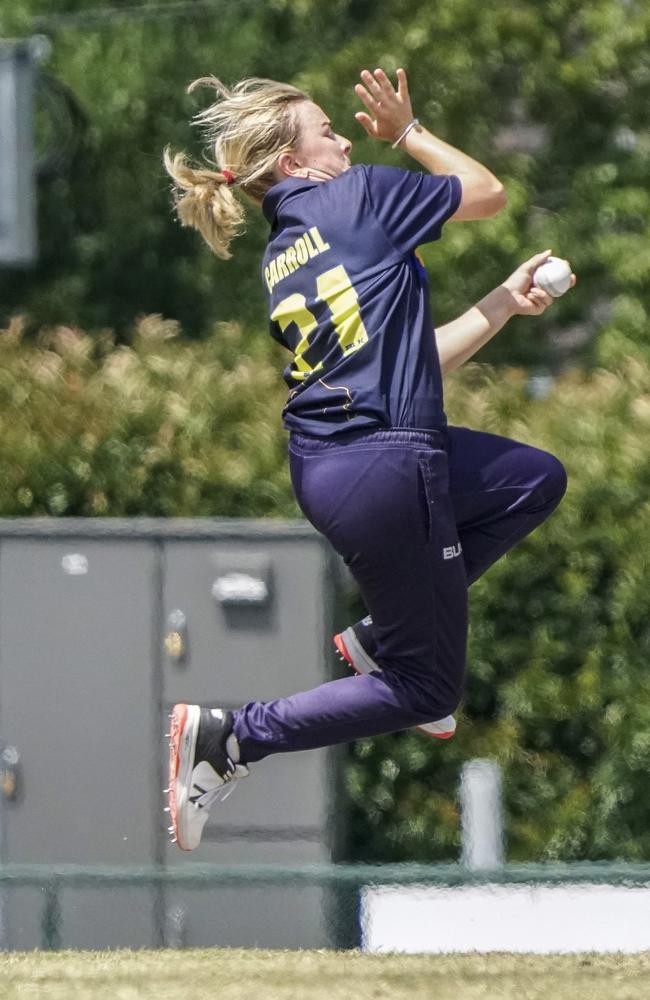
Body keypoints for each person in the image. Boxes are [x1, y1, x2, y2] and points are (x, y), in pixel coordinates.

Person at [163, 67, 573, 851]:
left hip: (340, 463)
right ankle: (233, 735)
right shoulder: (355, 198)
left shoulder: (288, 247)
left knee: (530, 480)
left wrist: (499, 306)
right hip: (386, 463)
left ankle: (378, 639)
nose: (345, 138)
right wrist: (408, 134)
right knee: (425, 690)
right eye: (327, 130)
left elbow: (408, 359)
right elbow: (486, 191)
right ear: (293, 162)